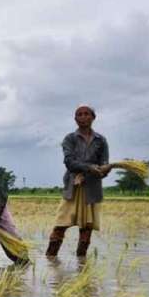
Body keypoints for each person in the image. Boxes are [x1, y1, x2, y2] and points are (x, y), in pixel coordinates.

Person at [45, 104, 111, 258]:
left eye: (86, 114)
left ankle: (81, 264)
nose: (83, 117)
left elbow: (104, 163)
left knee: (86, 229)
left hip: (92, 188)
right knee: (60, 225)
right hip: (72, 187)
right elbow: (69, 162)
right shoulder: (70, 139)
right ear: (75, 119)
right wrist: (89, 168)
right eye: (79, 114)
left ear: (93, 117)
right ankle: (50, 259)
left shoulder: (101, 140)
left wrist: (104, 170)